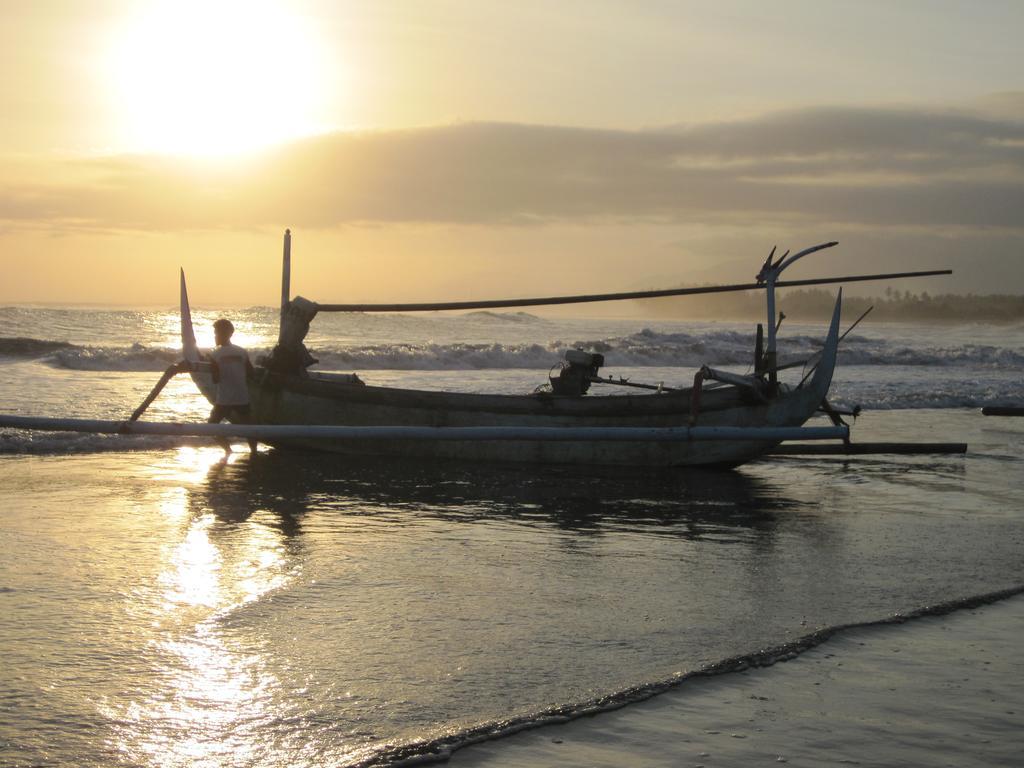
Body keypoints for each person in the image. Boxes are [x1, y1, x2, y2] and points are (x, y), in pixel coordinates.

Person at [207, 318, 258, 454]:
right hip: (242, 398)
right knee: (249, 429)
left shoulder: (214, 354)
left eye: (216, 333)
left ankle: (228, 450)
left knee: (211, 426)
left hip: (224, 400)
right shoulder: (242, 352)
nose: (215, 336)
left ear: (223, 334)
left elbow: (215, 380)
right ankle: (254, 451)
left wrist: (210, 366)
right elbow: (251, 374)